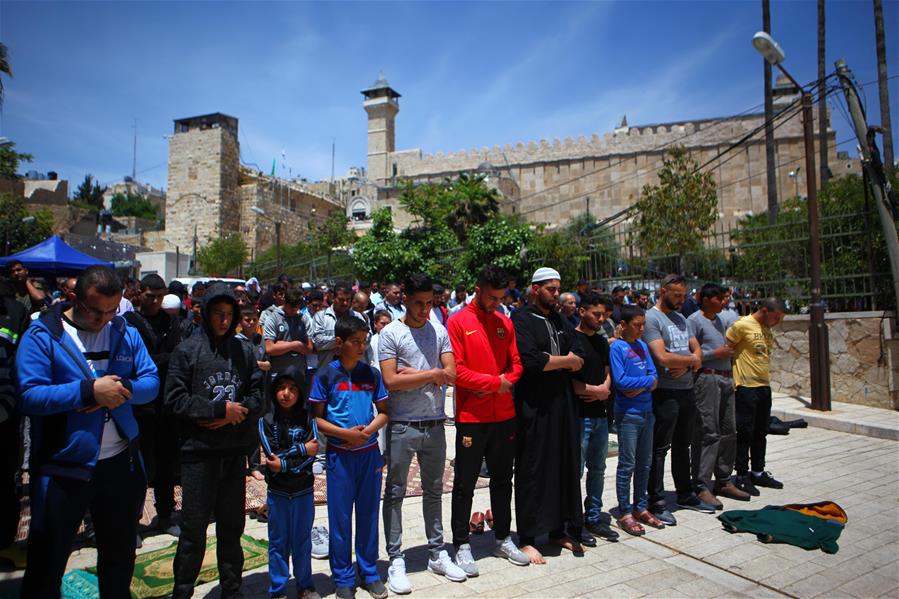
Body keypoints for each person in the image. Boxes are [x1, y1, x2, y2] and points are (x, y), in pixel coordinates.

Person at [16, 266, 159, 598]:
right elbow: (28, 395)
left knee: (119, 558)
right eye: (96, 311)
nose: (104, 319)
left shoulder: (125, 331)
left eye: (112, 310)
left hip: (119, 465)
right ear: (72, 298)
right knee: (47, 562)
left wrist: (119, 389)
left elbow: (151, 383)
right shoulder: (43, 336)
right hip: (62, 468)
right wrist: (87, 391)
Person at [165, 284, 264, 599]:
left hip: (233, 453)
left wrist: (237, 413)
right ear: (205, 314)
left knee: (231, 529)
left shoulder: (244, 350)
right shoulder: (187, 350)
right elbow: (174, 399)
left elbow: (258, 394)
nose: (223, 321)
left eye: (228, 315)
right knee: (194, 531)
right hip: (199, 453)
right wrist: (217, 409)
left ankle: (231, 589)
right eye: (217, 314)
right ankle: (183, 590)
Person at [379, 273, 466, 592]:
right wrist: (433, 374)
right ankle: (395, 558)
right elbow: (391, 381)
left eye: (430, 303)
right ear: (404, 298)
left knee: (433, 490)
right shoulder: (391, 333)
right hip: (402, 423)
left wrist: (415, 373)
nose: (425, 310)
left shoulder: (439, 330)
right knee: (396, 491)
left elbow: (452, 375)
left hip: (434, 421)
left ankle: (436, 551)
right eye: (419, 303)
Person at [447, 265, 529, 577]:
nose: (496, 303)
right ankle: (461, 543)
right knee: (464, 483)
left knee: (502, 480)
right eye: (492, 297)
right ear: (478, 289)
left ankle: (503, 537)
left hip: (504, 415)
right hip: (472, 417)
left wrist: (506, 380)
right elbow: (458, 372)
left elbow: (517, 364)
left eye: (500, 298)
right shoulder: (457, 322)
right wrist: (496, 383)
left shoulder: (504, 323)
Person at [310, 316, 389, 599]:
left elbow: (384, 411)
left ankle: (369, 572)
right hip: (340, 456)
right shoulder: (324, 376)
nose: (361, 346)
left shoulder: (372, 374)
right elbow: (316, 420)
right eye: (355, 341)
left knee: (368, 515)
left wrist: (367, 431)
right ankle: (343, 577)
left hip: (369, 455)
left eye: (364, 341)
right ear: (339, 343)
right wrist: (345, 434)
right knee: (340, 518)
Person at [512, 267, 586, 564]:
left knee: (563, 465)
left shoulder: (562, 320)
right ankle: (528, 537)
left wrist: (558, 361)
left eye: (558, 289)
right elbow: (530, 360)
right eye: (550, 289)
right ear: (535, 289)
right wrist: (565, 361)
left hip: (562, 404)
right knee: (533, 467)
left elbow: (578, 354)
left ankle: (557, 529)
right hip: (535, 405)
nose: (556, 294)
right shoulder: (522, 319)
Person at [643, 274, 714, 526]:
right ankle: (656, 500)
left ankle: (685, 493)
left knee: (683, 445)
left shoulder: (682, 318)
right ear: (663, 291)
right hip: (664, 392)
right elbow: (661, 357)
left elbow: (699, 352)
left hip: (686, 389)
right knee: (660, 448)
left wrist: (687, 364)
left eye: (683, 296)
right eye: (676, 295)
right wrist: (691, 361)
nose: (681, 300)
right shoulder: (652, 318)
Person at [124, 274, 184, 539]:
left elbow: (179, 356)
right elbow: (137, 362)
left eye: (160, 296)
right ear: (140, 294)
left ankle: (166, 514)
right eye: (151, 296)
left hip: (167, 403)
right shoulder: (129, 324)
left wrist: (157, 360)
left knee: (167, 464)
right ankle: (132, 521)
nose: (156, 301)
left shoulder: (171, 322)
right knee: (139, 466)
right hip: (140, 405)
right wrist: (161, 360)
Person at [258, 368, 320, 599]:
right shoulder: (265, 421)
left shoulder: (309, 419)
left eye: (293, 389)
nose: (286, 393)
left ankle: (305, 585)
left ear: (301, 393)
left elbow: (310, 458)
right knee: (278, 543)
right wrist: (302, 449)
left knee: (302, 541)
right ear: (274, 391)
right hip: (278, 493)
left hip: (303, 491)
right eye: (282, 388)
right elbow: (271, 458)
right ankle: (278, 589)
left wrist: (287, 460)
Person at [687, 284, 750, 505]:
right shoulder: (694, 321)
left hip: (726, 377)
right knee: (708, 432)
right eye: (719, 298)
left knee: (728, 430)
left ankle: (724, 479)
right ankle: (701, 484)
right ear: (705, 299)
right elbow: (690, 355)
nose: (724, 302)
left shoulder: (723, 320)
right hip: (707, 378)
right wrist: (716, 353)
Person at [571, 293, 620, 543]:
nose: (601, 319)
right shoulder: (570, 339)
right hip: (579, 417)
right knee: (575, 471)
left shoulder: (602, 342)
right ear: (582, 311)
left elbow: (606, 371)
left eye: (604, 315)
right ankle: (573, 520)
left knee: (598, 469)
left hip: (601, 415)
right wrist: (593, 391)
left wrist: (604, 389)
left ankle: (593, 516)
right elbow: (567, 382)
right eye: (596, 314)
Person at [727, 297, 786, 496]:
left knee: (761, 431)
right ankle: (742, 475)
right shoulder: (742, 325)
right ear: (764, 310)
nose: (777, 322)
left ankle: (758, 472)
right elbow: (727, 349)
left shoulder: (767, 328)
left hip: (763, 386)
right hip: (745, 386)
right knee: (745, 432)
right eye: (776, 317)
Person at [609, 305, 659, 536]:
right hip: (628, 414)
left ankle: (641, 506)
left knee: (644, 463)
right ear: (624, 325)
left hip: (647, 412)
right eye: (637, 325)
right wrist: (645, 384)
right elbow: (620, 382)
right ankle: (625, 511)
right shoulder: (618, 348)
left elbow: (654, 376)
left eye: (643, 324)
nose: (641, 329)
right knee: (627, 464)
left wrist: (641, 385)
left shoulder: (643, 346)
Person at [0, 278, 28, 552]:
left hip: (7, 415)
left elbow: (20, 365)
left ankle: (6, 540)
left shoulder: (15, 312)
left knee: (7, 478)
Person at [311, 282, 367, 369]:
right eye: (341, 299)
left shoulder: (357, 316)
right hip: (328, 371)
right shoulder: (320, 317)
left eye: (348, 300)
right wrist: (346, 341)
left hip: (355, 371)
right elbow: (318, 342)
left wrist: (342, 346)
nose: (345, 303)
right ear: (333, 298)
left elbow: (368, 338)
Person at [264, 287, 313, 378]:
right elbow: (269, 348)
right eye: (291, 308)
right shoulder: (273, 318)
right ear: (285, 302)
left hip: (298, 374)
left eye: (296, 309)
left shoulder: (303, 319)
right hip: (277, 375)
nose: (294, 311)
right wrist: (295, 345)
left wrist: (281, 345)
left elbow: (309, 348)